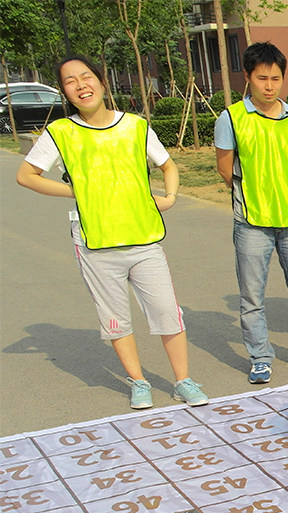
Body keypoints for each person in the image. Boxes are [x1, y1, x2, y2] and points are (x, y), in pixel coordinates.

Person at [16, 56, 208, 410]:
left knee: (167, 312)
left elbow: (167, 165)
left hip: (144, 239)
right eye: (70, 81)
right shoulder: (61, 133)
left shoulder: (134, 126)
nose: (81, 85)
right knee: (115, 317)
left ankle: (183, 381)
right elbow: (26, 176)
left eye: (86, 77)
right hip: (95, 243)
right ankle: (138, 382)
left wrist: (169, 197)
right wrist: (78, 192)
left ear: (102, 82)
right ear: (65, 93)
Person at [215, 41, 288, 385]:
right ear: (248, 78)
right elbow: (226, 168)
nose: (269, 85)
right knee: (253, 297)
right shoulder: (232, 118)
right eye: (262, 78)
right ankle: (260, 357)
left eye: (276, 78)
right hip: (252, 223)